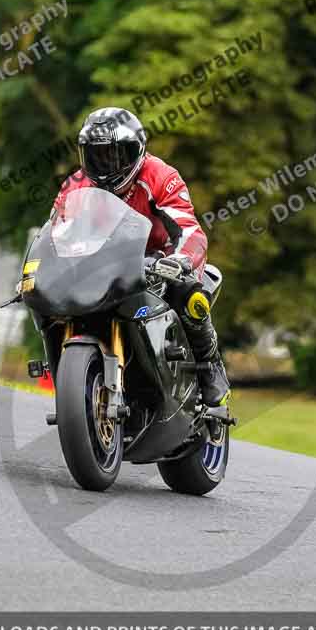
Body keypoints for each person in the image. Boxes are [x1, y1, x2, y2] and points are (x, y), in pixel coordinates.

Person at [51, 106, 230, 408]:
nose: (106, 164)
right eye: (96, 155)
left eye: (115, 154)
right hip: (101, 262)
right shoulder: (76, 184)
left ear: (137, 151)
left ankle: (209, 363)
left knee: (191, 296)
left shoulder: (160, 175)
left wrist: (181, 260)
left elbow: (189, 230)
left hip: (158, 261)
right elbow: (55, 231)